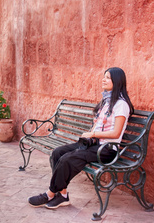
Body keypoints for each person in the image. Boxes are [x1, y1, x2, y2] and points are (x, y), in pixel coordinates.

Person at [28, 67, 134, 209]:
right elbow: (98, 125)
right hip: (93, 144)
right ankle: (63, 195)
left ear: (118, 81)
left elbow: (115, 133)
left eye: (108, 77)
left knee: (68, 159)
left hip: (107, 149)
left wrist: (93, 134)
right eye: (104, 76)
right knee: (57, 153)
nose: (104, 79)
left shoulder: (121, 104)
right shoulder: (107, 101)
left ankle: (50, 194)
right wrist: (91, 135)